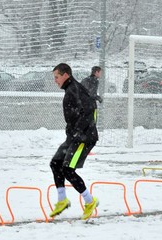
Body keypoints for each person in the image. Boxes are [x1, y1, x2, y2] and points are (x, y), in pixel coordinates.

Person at [49, 63, 99, 220]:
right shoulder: (71, 89)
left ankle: (90, 202)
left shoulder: (74, 89)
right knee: (55, 163)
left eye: (57, 77)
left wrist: (79, 131)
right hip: (74, 136)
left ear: (65, 75)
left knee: (67, 169)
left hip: (84, 137)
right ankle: (62, 200)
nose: (55, 80)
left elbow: (91, 108)